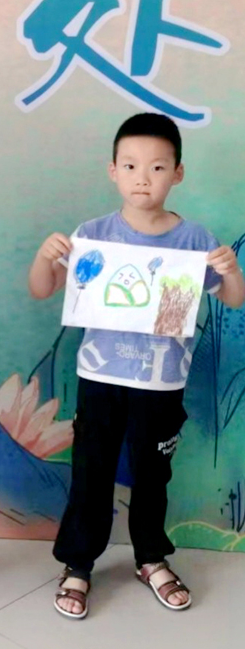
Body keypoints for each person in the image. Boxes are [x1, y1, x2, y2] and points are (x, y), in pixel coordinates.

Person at [28, 112, 245, 619]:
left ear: (178, 173)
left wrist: (232, 272)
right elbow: (42, 289)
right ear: (113, 171)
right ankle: (78, 563)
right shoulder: (93, 235)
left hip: (162, 380)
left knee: (153, 473)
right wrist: (44, 258)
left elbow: (232, 299)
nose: (142, 178)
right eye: (130, 166)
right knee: (91, 471)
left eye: (157, 167)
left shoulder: (194, 240)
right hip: (100, 377)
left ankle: (150, 557)